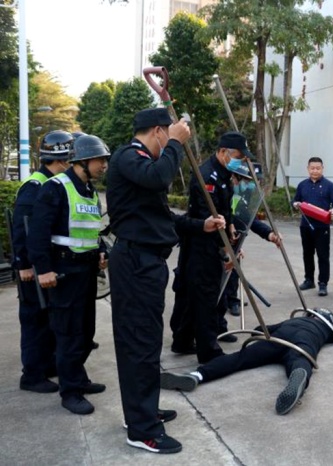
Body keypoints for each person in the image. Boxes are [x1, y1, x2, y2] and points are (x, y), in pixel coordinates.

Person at [106, 108, 225, 454]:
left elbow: (162, 217)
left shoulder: (143, 165)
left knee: (146, 343)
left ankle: (142, 411)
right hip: (135, 263)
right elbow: (160, 178)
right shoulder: (129, 157)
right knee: (139, 343)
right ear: (158, 131)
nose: (168, 145)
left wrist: (199, 225)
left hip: (147, 263)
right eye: (167, 136)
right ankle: (142, 430)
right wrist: (175, 143)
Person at [27, 134, 111, 415]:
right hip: (63, 271)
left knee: (85, 332)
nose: (104, 166)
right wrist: (43, 269)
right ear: (82, 161)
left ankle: (78, 378)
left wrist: (101, 250)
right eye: (100, 160)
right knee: (68, 334)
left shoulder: (88, 190)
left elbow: (92, 228)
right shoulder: (55, 188)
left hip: (85, 271)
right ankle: (70, 391)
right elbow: (38, 233)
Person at [160, 309, 333, 415]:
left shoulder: (292, 320)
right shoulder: (328, 329)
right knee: (301, 360)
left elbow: (261, 329)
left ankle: (197, 375)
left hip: (278, 338)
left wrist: (260, 335)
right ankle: (298, 378)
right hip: (304, 341)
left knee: (240, 358)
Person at [169, 132, 253, 364]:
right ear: (223, 152)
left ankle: (183, 341)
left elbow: (225, 210)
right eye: (238, 156)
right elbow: (210, 217)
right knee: (205, 296)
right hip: (201, 243)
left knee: (193, 294)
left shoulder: (223, 173)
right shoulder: (207, 175)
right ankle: (209, 352)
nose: (241, 161)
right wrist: (226, 250)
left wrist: (231, 226)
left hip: (209, 239)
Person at [12, 130, 73, 394]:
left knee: (47, 318)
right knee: (34, 320)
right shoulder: (35, 186)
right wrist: (23, 264)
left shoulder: (52, 182)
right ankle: (32, 375)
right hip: (31, 267)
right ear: (60, 160)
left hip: (44, 264)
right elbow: (21, 228)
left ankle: (47, 365)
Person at [223, 164, 282, 317]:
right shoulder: (224, 193)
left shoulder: (245, 195)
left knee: (234, 269)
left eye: (252, 181)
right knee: (227, 270)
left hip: (235, 238)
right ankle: (229, 300)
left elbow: (249, 219)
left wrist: (269, 234)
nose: (249, 185)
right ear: (234, 178)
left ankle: (231, 299)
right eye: (246, 180)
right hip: (220, 239)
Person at [292, 157, 333, 296]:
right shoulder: (302, 185)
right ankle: (309, 280)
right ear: (308, 169)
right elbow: (295, 200)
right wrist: (295, 204)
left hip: (322, 226)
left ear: (322, 169)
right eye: (312, 168)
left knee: (323, 255)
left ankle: (323, 283)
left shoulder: (329, 185)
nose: (315, 171)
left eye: (318, 168)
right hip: (305, 225)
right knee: (307, 254)